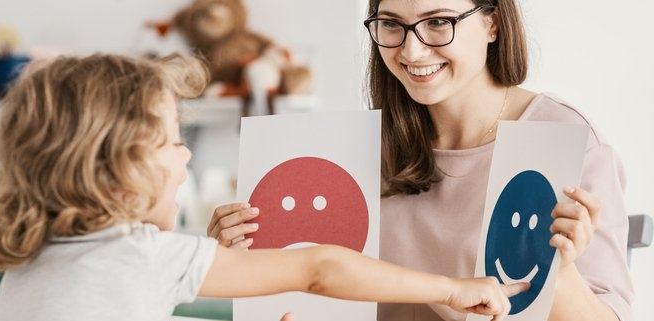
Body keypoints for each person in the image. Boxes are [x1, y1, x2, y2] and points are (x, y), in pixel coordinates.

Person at [0, 53, 527, 321]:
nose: (186, 152)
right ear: (111, 170)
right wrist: (448, 289)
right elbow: (318, 267)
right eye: (170, 141)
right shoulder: (142, 257)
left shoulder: (25, 262)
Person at [208, 0, 634, 320]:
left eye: (437, 22)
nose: (411, 51)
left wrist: (559, 272)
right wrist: (246, 258)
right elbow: (321, 285)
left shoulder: (563, 141)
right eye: (392, 24)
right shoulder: (357, 148)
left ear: (493, 23)